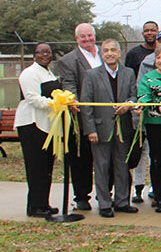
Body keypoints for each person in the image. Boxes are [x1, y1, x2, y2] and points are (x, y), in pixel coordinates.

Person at [78, 39, 140, 218]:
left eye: (113, 50)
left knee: (122, 165)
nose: (110, 53)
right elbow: (86, 104)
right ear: (101, 54)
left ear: (120, 53)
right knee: (102, 166)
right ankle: (104, 203)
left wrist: (128, 105)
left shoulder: (128, 73)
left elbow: (133, 96)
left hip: (123, 128)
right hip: (100, 128)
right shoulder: (91, 75)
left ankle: (122, 201)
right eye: (106, 51)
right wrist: (90, 129)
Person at [53, 23, 99, 211]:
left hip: (107, 116)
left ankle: (107, 193)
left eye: (90, 35)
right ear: (76, 39)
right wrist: (74, 102)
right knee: (82, 158)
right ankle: (82, 196)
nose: (87, 39)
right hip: (81, 118)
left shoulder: (106, 54)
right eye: (83, 36)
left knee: (107, 158)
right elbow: (69, 85)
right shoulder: (68, 60)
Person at [15, 43, 59, 217]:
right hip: (31, 125)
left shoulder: (48, 72)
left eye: (48, 52)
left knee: (46, 166)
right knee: (35, 166)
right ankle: (34, 206)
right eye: (41, 52)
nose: (45, 55)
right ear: (34, 55)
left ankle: (43, 203)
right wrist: (57, 103)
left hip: (47, 125)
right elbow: (33, 99)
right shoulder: (29, 73)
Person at [127, 24, 161, 205]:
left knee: (157, 156)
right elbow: (136, 86)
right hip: (143, 115)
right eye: (147, 30)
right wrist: (138, 105)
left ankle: (157, 189)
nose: (150, 33)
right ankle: (138, 187)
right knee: (142, 153)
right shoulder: (136, 56)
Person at [136, 43, 161, 213]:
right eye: (158, 57)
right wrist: (141, 105)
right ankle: (158, 196)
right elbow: (144, 96)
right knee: (157, 160)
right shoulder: (148, 78)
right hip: (154, 125)